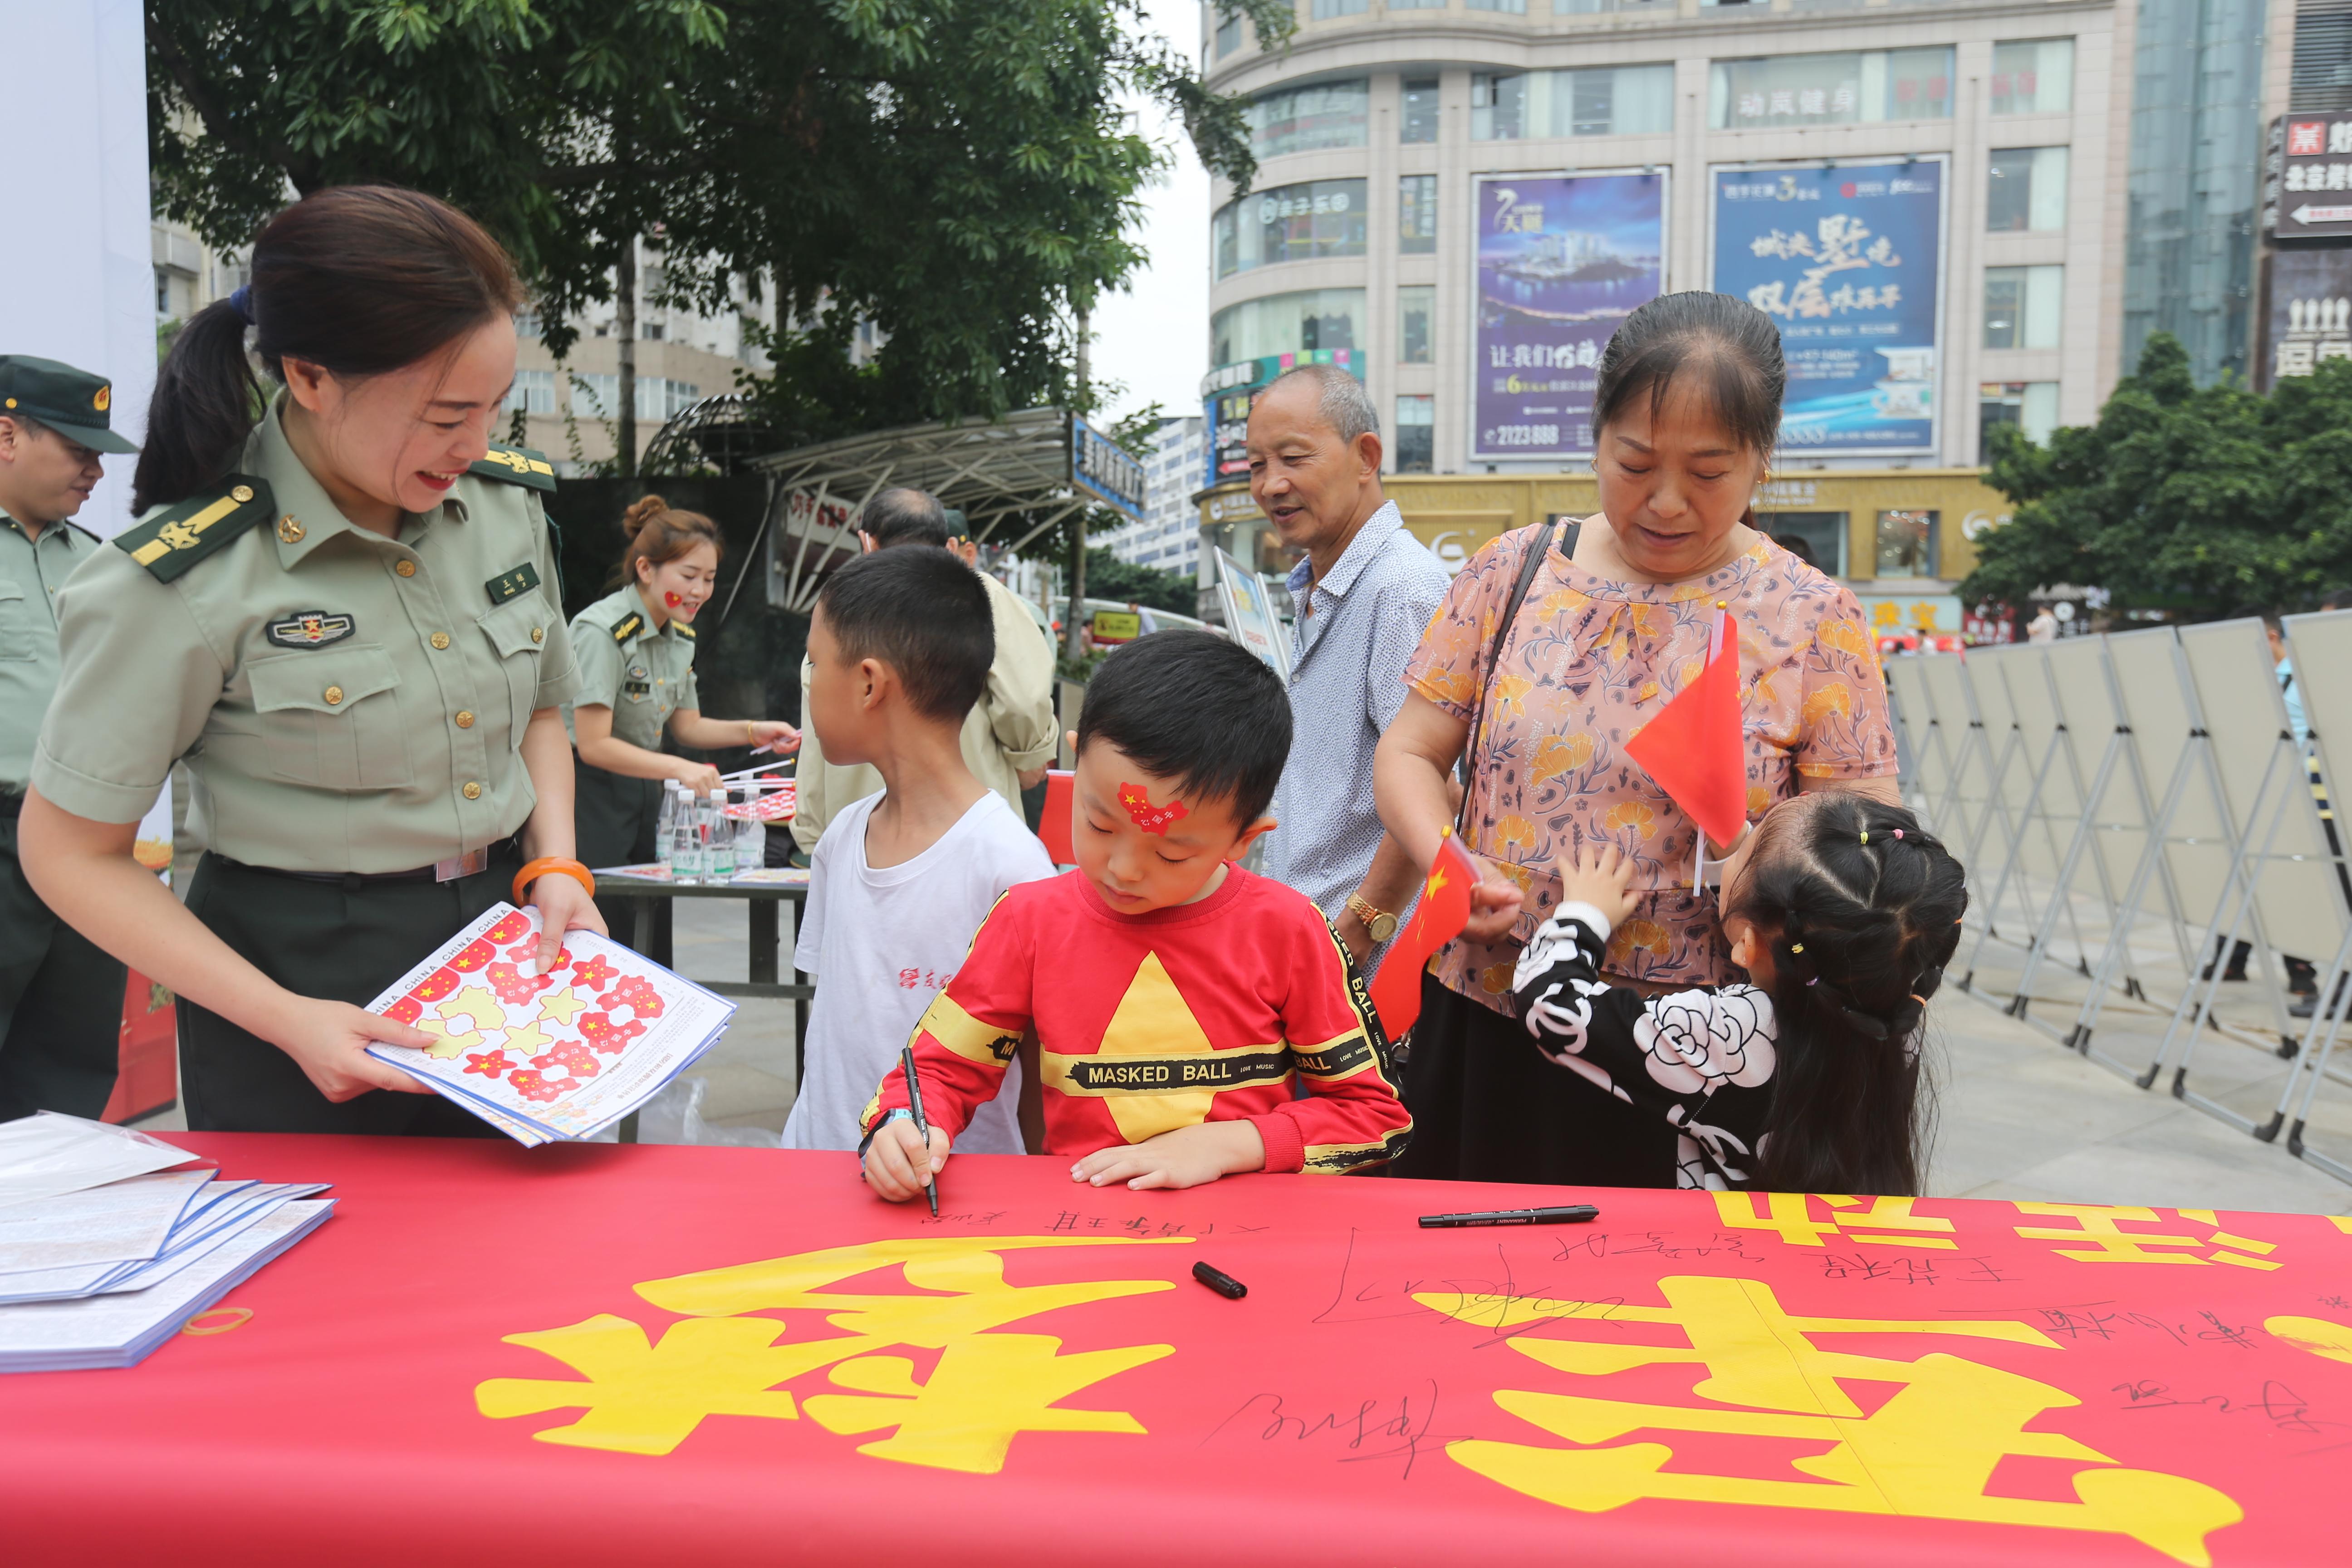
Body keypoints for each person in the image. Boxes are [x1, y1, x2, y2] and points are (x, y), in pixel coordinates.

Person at [17, 185, 601, 1135]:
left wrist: (559, 870)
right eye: (446, 414)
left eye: (495, 409)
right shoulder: (187, 579)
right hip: (291, 987)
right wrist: (285, 1022)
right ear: (311, 376)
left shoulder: (504, 511)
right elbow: (68, 853)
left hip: (504, 957)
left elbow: (543, 704)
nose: (476, 444)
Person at [1373, 291, 1900, 1186]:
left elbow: (1867, 855)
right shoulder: (1511, 573)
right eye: (1635, 462)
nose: (1664, 502)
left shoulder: (1814, 620)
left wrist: (1756, 867)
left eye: (1708, 471)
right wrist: (1449, 863)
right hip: (1487, 1017)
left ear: (1761, 461)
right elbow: (1411, 754)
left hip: (1693, 1065)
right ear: (1597, 438)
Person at [860, 631, 1411, 1200]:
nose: (1123, 870)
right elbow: (940, 1071)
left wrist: (1229, 1145)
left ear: (1243, 839)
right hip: (1081, 1234)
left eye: (1172, 854)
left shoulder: (1290, 931)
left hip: (1247, 1238)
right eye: (1100, 826)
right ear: (1075, 765)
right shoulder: (1030, 922)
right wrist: (903, 1125)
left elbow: (1375, 1118)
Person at [1514, 794, 1964, 1192]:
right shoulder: (1894, 1010)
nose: (1738, 845)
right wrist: (1758, 858)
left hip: (1732, 1254)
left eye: (1745, 853)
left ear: (1747, 947)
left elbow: (1548, 1003)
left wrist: (1583, 916)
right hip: (1844, 1245)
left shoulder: (1726, 1033)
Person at [781, 546, 1055, 1152]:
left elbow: (1040, 1073)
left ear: (870, 683)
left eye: (814, 664)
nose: (807, 684)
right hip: (817, 1171)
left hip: (951, 1204)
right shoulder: (843, 838)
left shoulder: (1010, 868)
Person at [1246, 364, 1448, 968]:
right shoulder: (1314, 585)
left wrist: (1359, 931)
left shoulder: (1403, 590)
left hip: (1357, 969)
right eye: (1257, 465)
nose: (1270, 485)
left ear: (1366, 457)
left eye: (1293, 458)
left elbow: (1438, 783)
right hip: (1304, 948)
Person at [0, 356, 137, 1120]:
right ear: (7, 435)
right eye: (79, 449)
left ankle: (45, 1234)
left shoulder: (99, 566)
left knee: (71, 1066)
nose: (94, 471)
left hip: (83, 842)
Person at [565, 493, 798, 914]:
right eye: (689, 575)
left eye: (709, 578)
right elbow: (594, 744)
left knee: (650, 918)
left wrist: (752, 731)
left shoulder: (678, 638)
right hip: (587, 795)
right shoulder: (602, 631)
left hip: (649, 789)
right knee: (602, 916)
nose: (700, 591)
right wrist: (681, 768)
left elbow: (687, 726)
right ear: (645, 569)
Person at [791, 488, 1055, 855]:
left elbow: (814, 721)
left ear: (867, 543)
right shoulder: (981, 594)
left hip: (859, 835)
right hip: (968, 824)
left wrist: (813, 832)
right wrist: (1028, 757)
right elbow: (1024, 701)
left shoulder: (839, 604)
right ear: (948, 544)